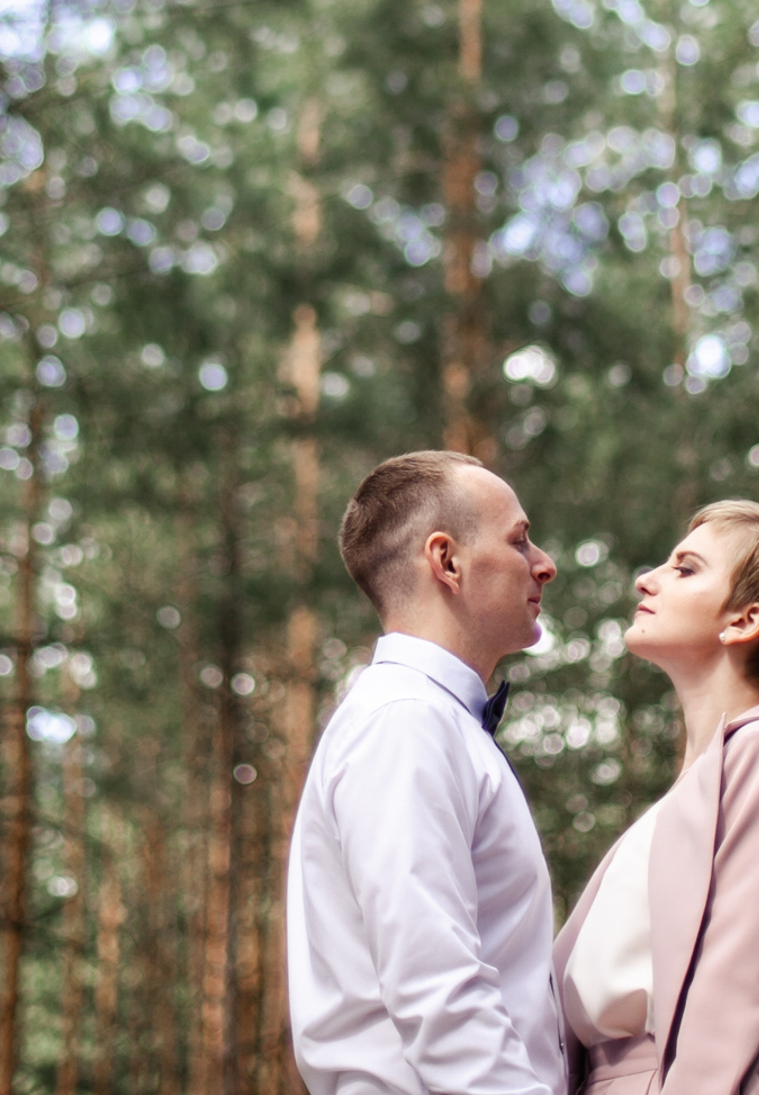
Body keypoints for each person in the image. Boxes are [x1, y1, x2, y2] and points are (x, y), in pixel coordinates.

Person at [287, 450, 566, 1095]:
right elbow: (435, 984)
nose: (544, 564)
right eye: (520, 540)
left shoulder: (428, 720)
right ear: (447, 562)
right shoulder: (405, 721)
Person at [554, 500, 759, 1095]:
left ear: (744, 621)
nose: (647, 578)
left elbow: (735, 993)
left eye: (686, 568)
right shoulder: (687, 795)